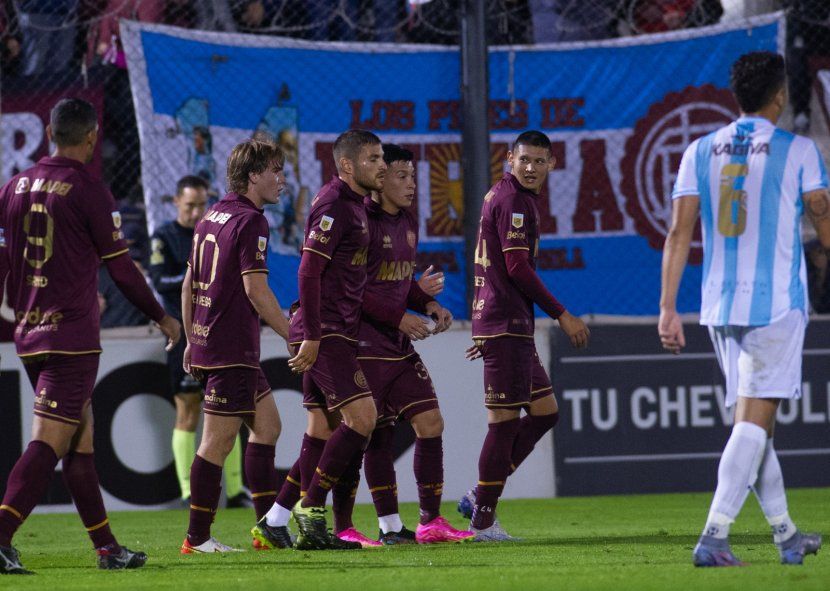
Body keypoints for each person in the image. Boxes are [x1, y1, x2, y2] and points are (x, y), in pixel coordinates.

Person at [659, 51, 827, 567]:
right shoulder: (797, 150)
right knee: (753, 423)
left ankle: (785, 535)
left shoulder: (699, 149)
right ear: (780, 96)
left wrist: (668, 307)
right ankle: (714, 535)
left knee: (756, 426)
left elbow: (679, 232)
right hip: (775, 303)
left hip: (720, 305)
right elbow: (822, 216)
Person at [0, 97, 181, 574]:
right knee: (49, 440)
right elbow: (120, 269)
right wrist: (161, 316)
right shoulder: (88, 189)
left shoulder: (14, 186)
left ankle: (107, 548)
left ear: (49, 132)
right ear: (92, 136)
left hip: (29, 331)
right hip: (71, 336)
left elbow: (5, 260)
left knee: (80, 440)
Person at [251, 130, 386, 551]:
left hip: (334, 330)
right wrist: (311, 335)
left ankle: (274, 521)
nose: (381, 165)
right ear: (347, 165)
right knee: (363, 418)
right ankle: (312, 509)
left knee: (323, 431)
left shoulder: (356, 205)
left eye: (382, 158)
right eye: (373, 158)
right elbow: (308, 272)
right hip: (325, 333)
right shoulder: (333, 204)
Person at [461, 130, 589, 542]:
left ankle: (480, 494)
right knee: (502, 423)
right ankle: (482, 519)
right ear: (509, 159)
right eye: (524, 160)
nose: (531, 168)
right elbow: (516, 268)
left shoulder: (507, 194)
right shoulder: (513, 200)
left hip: (505, 320)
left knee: (545, 411)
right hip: (505, 321)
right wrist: (563, 314)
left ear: (552, 164)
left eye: (539, 161)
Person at [353, 143, 472, 545]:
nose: (411, 185)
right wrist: (401, 315)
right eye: (401, 176)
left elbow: (399, 283)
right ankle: (387, 526)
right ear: (380, 178)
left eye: (413, 177)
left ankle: (430, 521)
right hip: (364, 344)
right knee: (378, 436)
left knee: (430, 422)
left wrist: (429, 303)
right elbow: (353, 290)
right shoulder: (360, 222)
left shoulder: (406, 222)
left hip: (397, 344)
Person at [179, 139, 290, 554]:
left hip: (213, 342)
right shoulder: (251, 221)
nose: (282, 179)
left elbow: (190, 284)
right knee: (217, 443)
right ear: (252, 176)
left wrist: (192, 339)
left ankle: (267, 530)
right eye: (275, 170)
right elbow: (256, 290)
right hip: (230, 348)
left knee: (268, 427)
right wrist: (291, 333)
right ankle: (197, 537)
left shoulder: (211, 214)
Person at [149, 175, 250, 509]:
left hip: (217, 331)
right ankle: (188, 492)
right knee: (188, 410)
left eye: (201, 204)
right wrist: (199, 275)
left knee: (228, 412)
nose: (196, 212)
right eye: (189, 204)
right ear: (176, 201)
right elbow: (161, 281)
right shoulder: (163, 236)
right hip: (183, 332)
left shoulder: (212, 230)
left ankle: (235, 492)